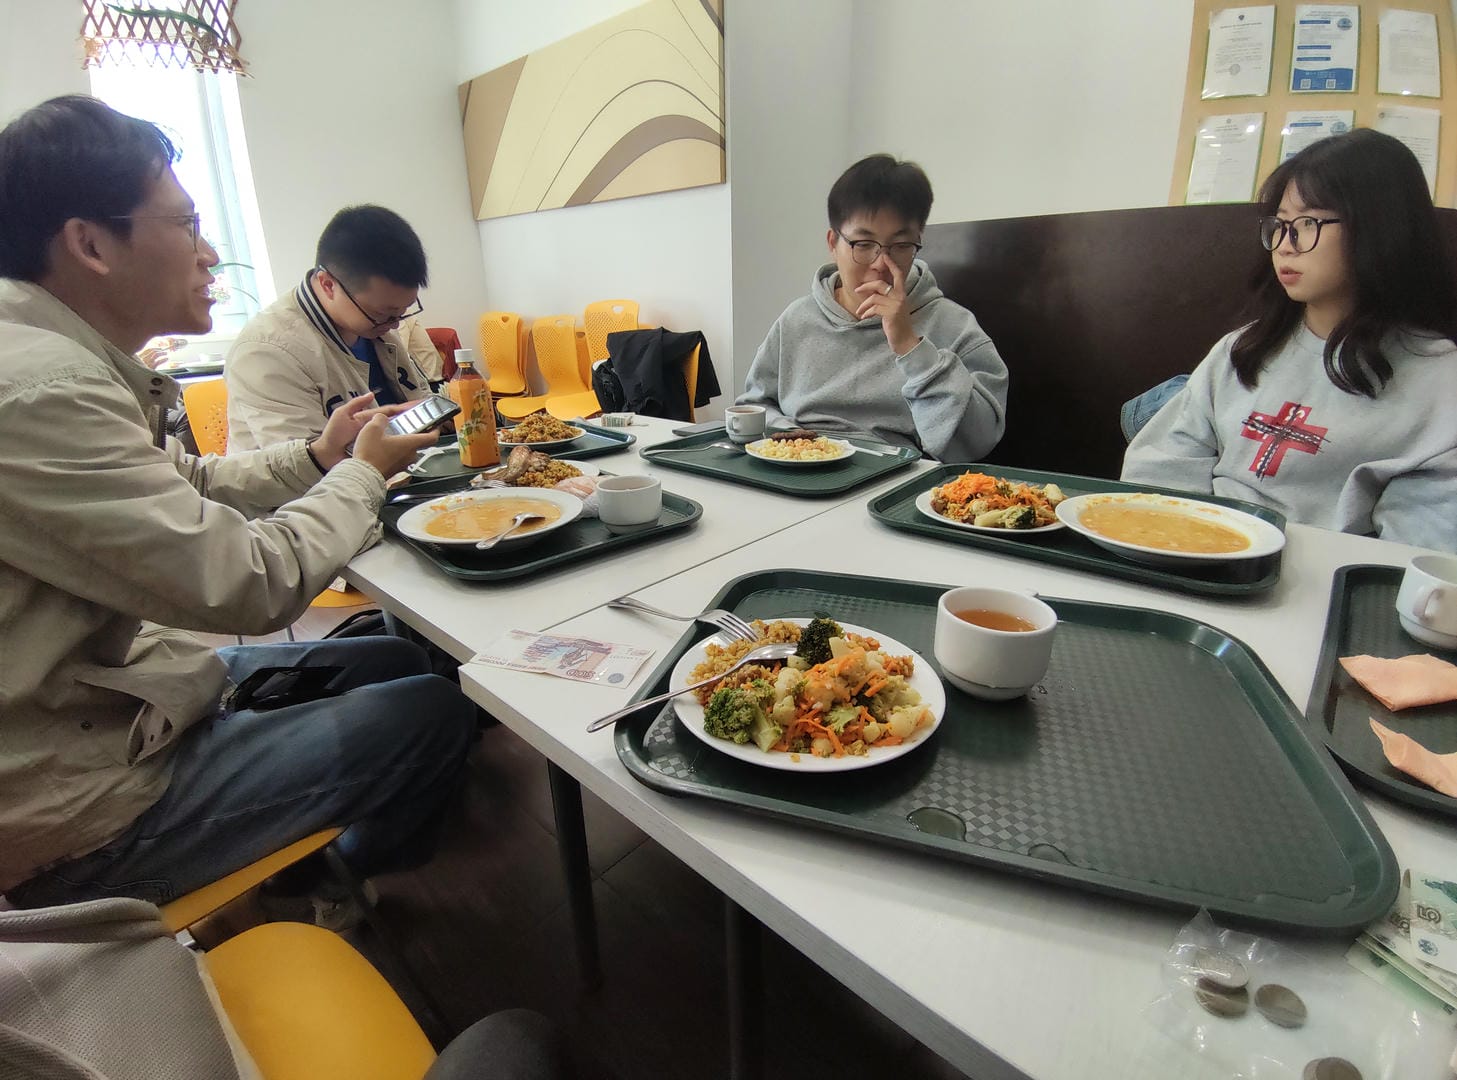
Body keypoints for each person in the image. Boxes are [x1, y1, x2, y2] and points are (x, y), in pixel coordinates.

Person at [0, 95, 476, 915]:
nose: (210, 252)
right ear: (89, 244)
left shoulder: (55, 359)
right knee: (437, 705)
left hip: (115, 695)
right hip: (76, 801)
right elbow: (247, 585)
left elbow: (187, 486)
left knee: (400, 661)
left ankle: (307, 834)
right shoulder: (43, 388)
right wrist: (359, 473)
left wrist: (321, 456)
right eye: (185, 223)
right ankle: (338, 876)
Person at [1122, 129, 1457, 551]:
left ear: (1381, 228)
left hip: (1324, 590)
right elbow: (1158, 474)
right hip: (1192, 562)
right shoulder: (1242, 349)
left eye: (1308, 222)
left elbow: (1414, 555)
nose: (1285, 245)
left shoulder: (1440, 383)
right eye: (1279, 225)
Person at [736, 153, 1008, 461]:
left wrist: (909, 345)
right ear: (832, 243)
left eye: (901, 246)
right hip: (796, 473)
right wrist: (801, 444)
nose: (881, 264)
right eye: (863, 245)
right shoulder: (796, 320)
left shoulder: (954, 326)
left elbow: (976, 443)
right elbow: (755, 407)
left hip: (896, 480)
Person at [225, 204, 434, 450]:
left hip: (394, 475)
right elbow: (305, 468)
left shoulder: (376, 328)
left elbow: (418, 400)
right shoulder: (267, 353)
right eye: (384, 313)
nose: (395, 324)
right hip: (317, 487)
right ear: (327, 285)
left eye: (404, 310)